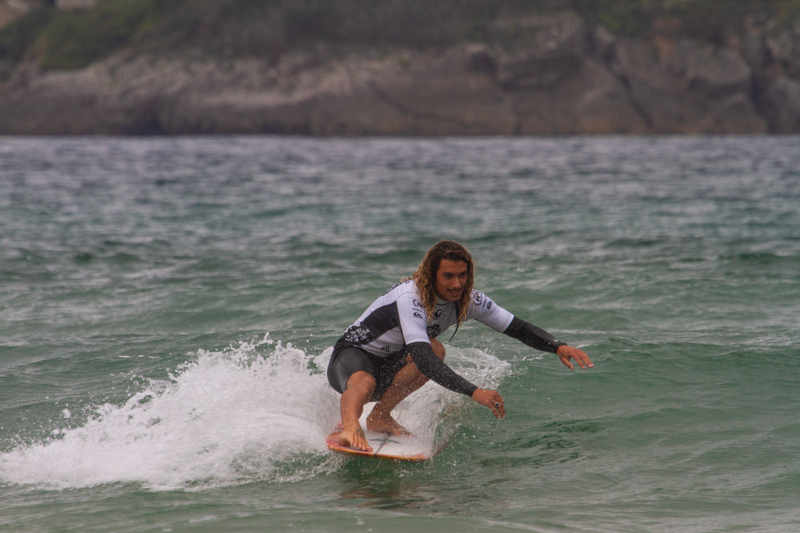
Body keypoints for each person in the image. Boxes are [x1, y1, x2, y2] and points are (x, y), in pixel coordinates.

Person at [327, 240, 593, 451]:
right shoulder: (411, 298)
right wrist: (474, 391)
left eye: (462, 275)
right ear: (432, 275)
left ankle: (380, 416)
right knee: (367, 381)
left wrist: (557, 346)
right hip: (351, 359)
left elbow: (517, 327)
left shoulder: (469, 300)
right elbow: (421, 358)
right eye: (448, 276)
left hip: (391, 366)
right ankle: (351, 426)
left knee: (436, 349)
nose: (456, 284)